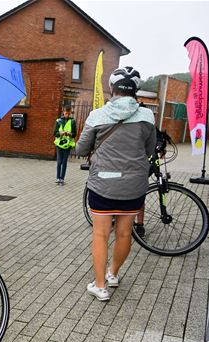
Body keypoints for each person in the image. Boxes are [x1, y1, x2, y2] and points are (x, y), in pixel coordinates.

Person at [76, 66, 156, 301]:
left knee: (100, 234)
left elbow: (81, 149)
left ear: (112, 88)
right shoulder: (147, 117)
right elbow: (149, 150)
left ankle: (100, 287)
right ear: (136, 91)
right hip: (133, 187)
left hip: (103, 185)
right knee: (124, 233)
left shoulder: (97, 116)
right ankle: (113, 274)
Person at [53, 105, 77, 185]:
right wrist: (60, 133)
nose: (67, 114)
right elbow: (54, 133)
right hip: (59, 144)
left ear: (70, 112)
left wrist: (70, 134)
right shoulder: (58, 121)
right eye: (65, 113)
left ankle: (62, 179)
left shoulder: (72, 121)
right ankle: (58, 178)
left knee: (64, 161)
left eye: (68, 113)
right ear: (63, 112)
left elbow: (74, 134)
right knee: (59, 161)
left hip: (68, 144)